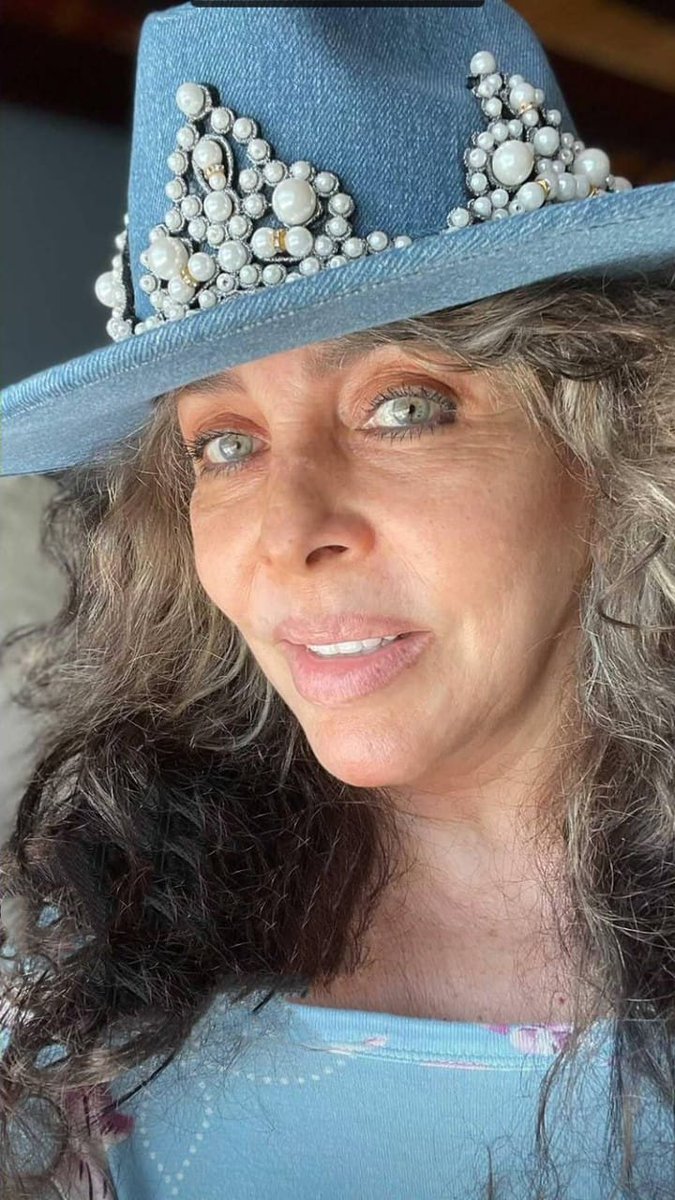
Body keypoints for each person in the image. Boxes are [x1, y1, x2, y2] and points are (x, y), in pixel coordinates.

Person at [1, 4, 674, 1199]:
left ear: (615, 449)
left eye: (404, 407)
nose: (286, 532)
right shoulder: (85, 969)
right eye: (225, 444)